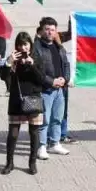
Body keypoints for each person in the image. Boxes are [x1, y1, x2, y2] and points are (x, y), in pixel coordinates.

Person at [3, 32, 46, 175]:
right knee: (13, 134)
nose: (23, 48)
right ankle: (9, 163)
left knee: (34, 133)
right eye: (20, 45)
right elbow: (5, 78)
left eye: (25, 44)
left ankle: (32, 163)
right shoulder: (13, 60)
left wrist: (32, 65)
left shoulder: (37, 58)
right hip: (17, 100)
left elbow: (41, 80)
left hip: (33, 100)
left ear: (30, 45)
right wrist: (8, 63)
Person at [34, 17, 71, 158]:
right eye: (47, 29)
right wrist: (51, 81)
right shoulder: (36, 48)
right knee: (44, 120)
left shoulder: (58, 46)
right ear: (42, 30)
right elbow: (36, 71)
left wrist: (65, 79)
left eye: (52, 30)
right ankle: (41, 146)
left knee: (57, 118)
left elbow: (66, 64)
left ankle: (55, 143)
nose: (50, 32)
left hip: (60, 89)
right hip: (46, 90)